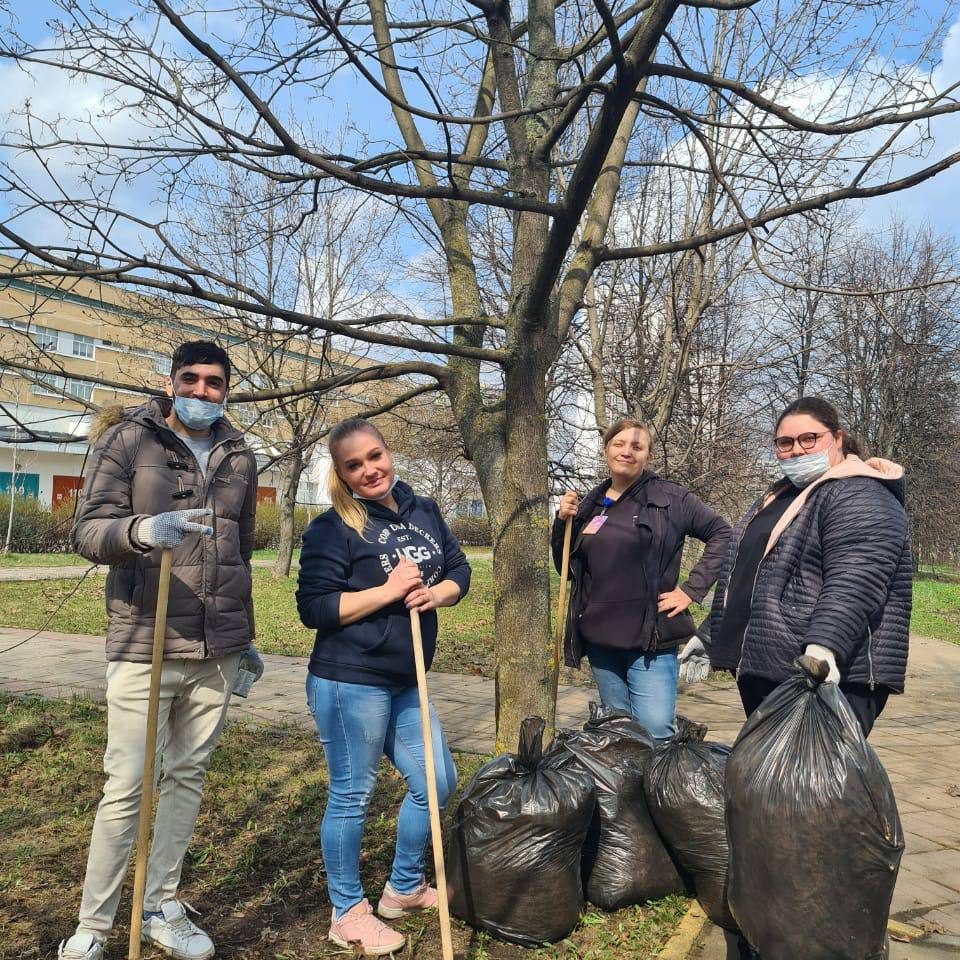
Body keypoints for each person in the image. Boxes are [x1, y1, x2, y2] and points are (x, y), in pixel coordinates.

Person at [59, 340, 263, 960]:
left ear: (227, 388)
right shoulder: (128, 442)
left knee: (187, 779)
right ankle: (93, 928)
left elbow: (239, 551)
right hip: (145, 640)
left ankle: (159, 906)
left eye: (214, 383)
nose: (201, 392)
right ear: (171, 381)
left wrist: (244, 637)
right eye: (191, 379)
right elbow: (87, 532)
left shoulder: (239, 456)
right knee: (125, 785)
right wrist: (141, 532)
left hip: (215, 651)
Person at [296, 417, 471, 957]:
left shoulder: (426, 510)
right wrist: (388, 590)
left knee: (438, 780)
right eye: (354, 464)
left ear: (388, 453)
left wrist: (439, 593)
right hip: (350, 682)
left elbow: (460, 570)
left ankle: (403, 888)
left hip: (406, 679)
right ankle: (347, 912)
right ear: (342, 474)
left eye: (375, 456)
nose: (369, 469)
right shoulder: (333, 528)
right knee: (352, 795)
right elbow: (315, 608)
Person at [689, 396, 911, 740]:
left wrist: (823, 648)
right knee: (776, 781)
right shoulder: (781, 496)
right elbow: (753, 574)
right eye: (785, 442)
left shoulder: (860, 492)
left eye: (809, 438)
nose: (796, 450)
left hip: (830, 669)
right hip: (772, 663)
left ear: (837, 438)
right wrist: (713, 633)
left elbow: (856, 579)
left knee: (813, 785)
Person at [552, 418, 731, 739]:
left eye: (637, 446)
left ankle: (655, 789)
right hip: (599, 639)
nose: (626, 452)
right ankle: (626, 790)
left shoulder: (669, 498)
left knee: (655, 729)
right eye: (619, 444)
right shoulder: (589, 504)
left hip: (649, 641)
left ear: (648, 455)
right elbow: (565, 566)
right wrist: (561, 522)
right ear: (606, 449)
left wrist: (692, 590)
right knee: (618, 735)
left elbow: (722, 533)